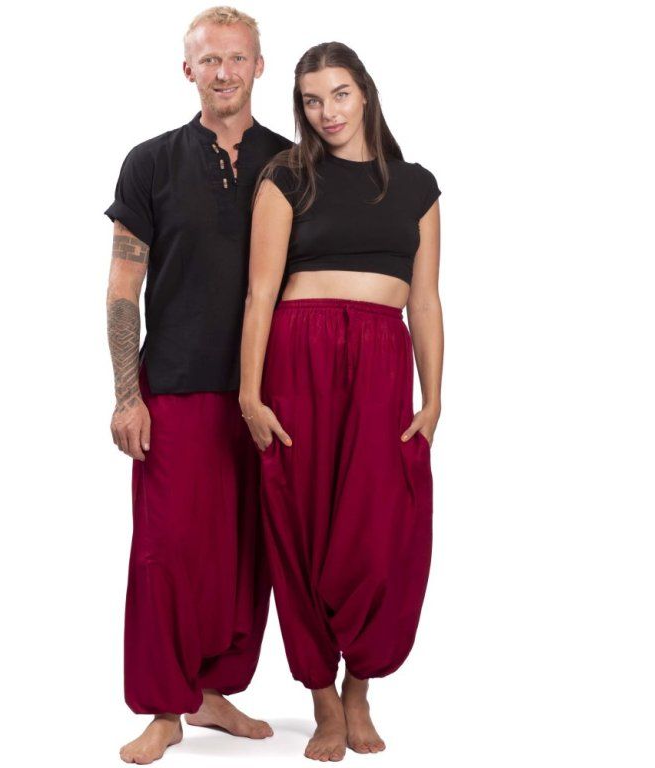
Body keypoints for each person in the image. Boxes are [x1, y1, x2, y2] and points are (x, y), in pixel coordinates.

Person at [238, 41, 444, 761]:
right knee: (301, 525)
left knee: (380, 533)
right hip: (300, 354)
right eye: (312, 100)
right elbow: (260, 292)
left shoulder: (416, 186)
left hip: (382, 361)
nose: (327, 112)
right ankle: (324, 703)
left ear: (366, 94)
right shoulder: (287, 176)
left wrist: (434, 398)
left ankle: (360, 689)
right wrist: (250, 393)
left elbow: (425, 299)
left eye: (340, 94)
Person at [103, 7, 293, 764]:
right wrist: (127, 395)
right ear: (189, 70)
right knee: (167, 551)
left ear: (259, 66)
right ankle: (163, 706)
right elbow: (123, 288)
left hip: (268, 388)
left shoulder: (292, 164)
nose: (224, 71)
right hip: (177, 384)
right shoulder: (149, 162)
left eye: (237, 58)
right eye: (209, 59)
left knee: (246, 552)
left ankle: (210, 691)